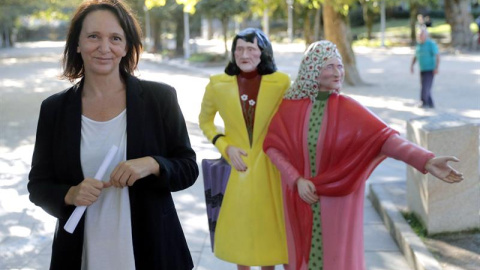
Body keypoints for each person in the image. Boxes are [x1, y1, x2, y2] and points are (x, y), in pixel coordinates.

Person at [263, 40, 463, 270]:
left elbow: (386, 139)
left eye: (339, 66)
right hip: (299, 198)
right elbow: (273, 146)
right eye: (329, 66)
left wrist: (426, 160)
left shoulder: (349, 108)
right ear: (312, 70)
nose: (337, 72)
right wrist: (296, 179)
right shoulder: (290, 106)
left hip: (337, 201)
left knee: (337, 259)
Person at [27, 1, 198, 269]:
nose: (104, 47)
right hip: (81, 254)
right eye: (94, 36)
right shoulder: (54, 109)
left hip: (151, 251)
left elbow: (187, 168)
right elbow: (38, 185)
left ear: (127, 46)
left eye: (115, 38)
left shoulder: (160, 98)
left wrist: (153, 164)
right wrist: (71, 194)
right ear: (78, 44)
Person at [198, 28, 290, 270]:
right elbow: (205, 121)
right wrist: (225, 147)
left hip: (270, 169)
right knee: (241, 232)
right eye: (239, 49)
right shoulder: (217, 85)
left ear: (263, 52)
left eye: (251, 48)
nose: (244, 54)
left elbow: (292, 119)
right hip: (237, 169)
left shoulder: (281, 83)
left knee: (268, 231)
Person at [410, 27, 439, 108]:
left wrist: (436, 68)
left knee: (425, 86)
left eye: (421, 35)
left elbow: (437, 56)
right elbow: (415, 56)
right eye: (419, 35)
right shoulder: (418, 45)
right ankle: (430, 103)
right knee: (425, 86)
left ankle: (424, 102)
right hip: (422, 69)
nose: (420, 36)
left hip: (430, 69)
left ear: (426, 35)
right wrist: (412, 66)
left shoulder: (431, 44)